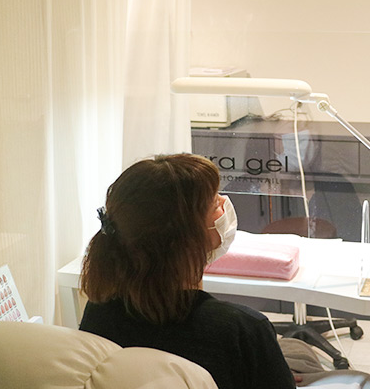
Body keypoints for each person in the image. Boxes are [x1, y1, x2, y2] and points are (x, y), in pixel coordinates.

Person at [79, 154, 296, 389]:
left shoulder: (99, 310)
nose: (224, 204)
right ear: (186, 237)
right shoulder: (241, 330)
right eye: (214, 204)